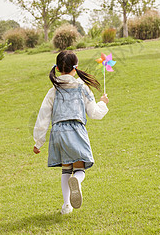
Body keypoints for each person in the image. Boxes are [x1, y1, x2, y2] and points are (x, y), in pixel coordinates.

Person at [33, 50, 109, 215]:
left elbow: (43, 116)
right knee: (79, 168)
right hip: (75, 130)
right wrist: (102, 103)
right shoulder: (82, 87)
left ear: (58, 68)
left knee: (66, 169)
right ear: (75, 67)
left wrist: (38, 141)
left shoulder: (53, 90)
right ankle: (78, 181)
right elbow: (94, 113)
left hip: (58, 132)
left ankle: (66, 206)